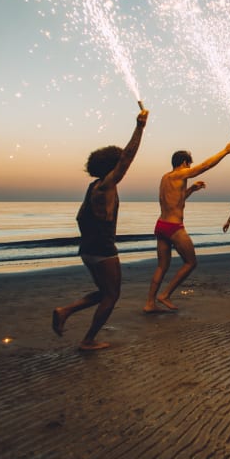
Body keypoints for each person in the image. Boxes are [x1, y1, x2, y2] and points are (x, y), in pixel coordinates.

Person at [51, 106, 149, 350]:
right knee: (112, 295)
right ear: (112, 166)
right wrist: (139, 127)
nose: (123, 169)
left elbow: (79, 218)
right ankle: (87, 340)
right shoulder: (106, 186)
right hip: (102, 249)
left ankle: (65, 311)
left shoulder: (94, 187)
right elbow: (127, 157)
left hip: (87, 248)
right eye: (118, 165)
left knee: (105, 292)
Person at [144, 141, 230, 312]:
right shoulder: (180, 174)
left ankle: (150, 303)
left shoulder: (166, 177)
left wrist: (192, 189)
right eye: (189, 164)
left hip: (161, 225)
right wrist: (225, 151)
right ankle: (165, 295)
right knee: (191, 262)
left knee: (162, 266)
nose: (190, 167)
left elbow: (175, 200)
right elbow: (205, 166)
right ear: (185, 163)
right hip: (174, 227)